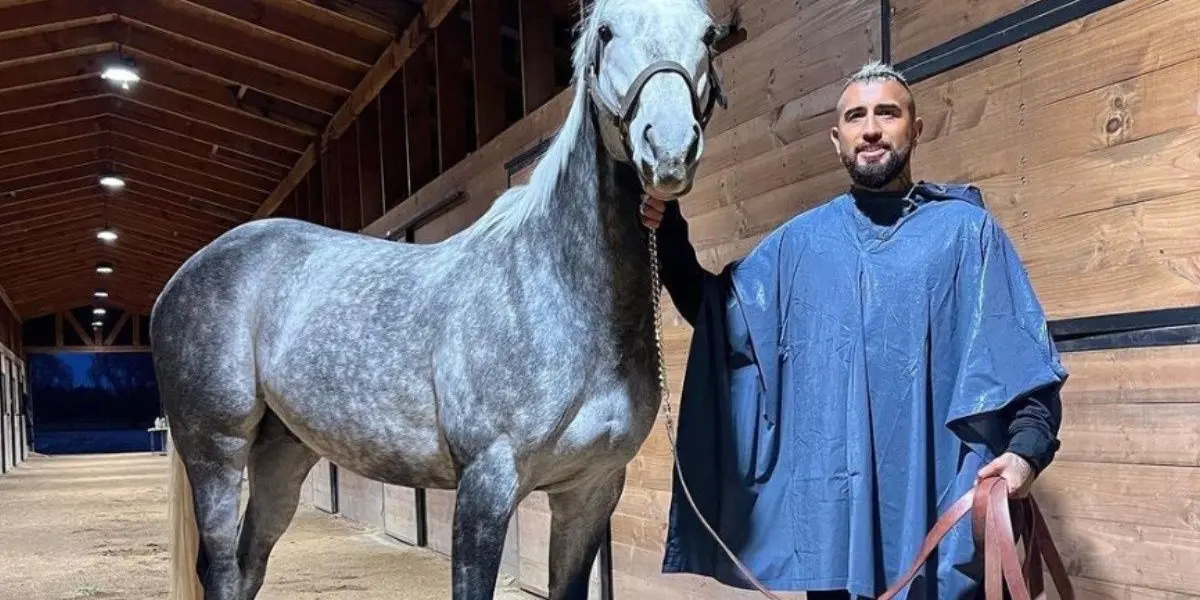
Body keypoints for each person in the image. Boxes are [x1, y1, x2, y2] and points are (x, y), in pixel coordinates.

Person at [641, 61, 1068, 599]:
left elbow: (1025, 369)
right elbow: (718, 316)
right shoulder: (800, 246)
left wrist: (1026, 453)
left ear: (916, 128)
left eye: (887, 113)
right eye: (855, 116)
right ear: (836, 137)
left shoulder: (968, 236)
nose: (870, 129)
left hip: (939, 530)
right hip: (835, 540)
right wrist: (670, 231)